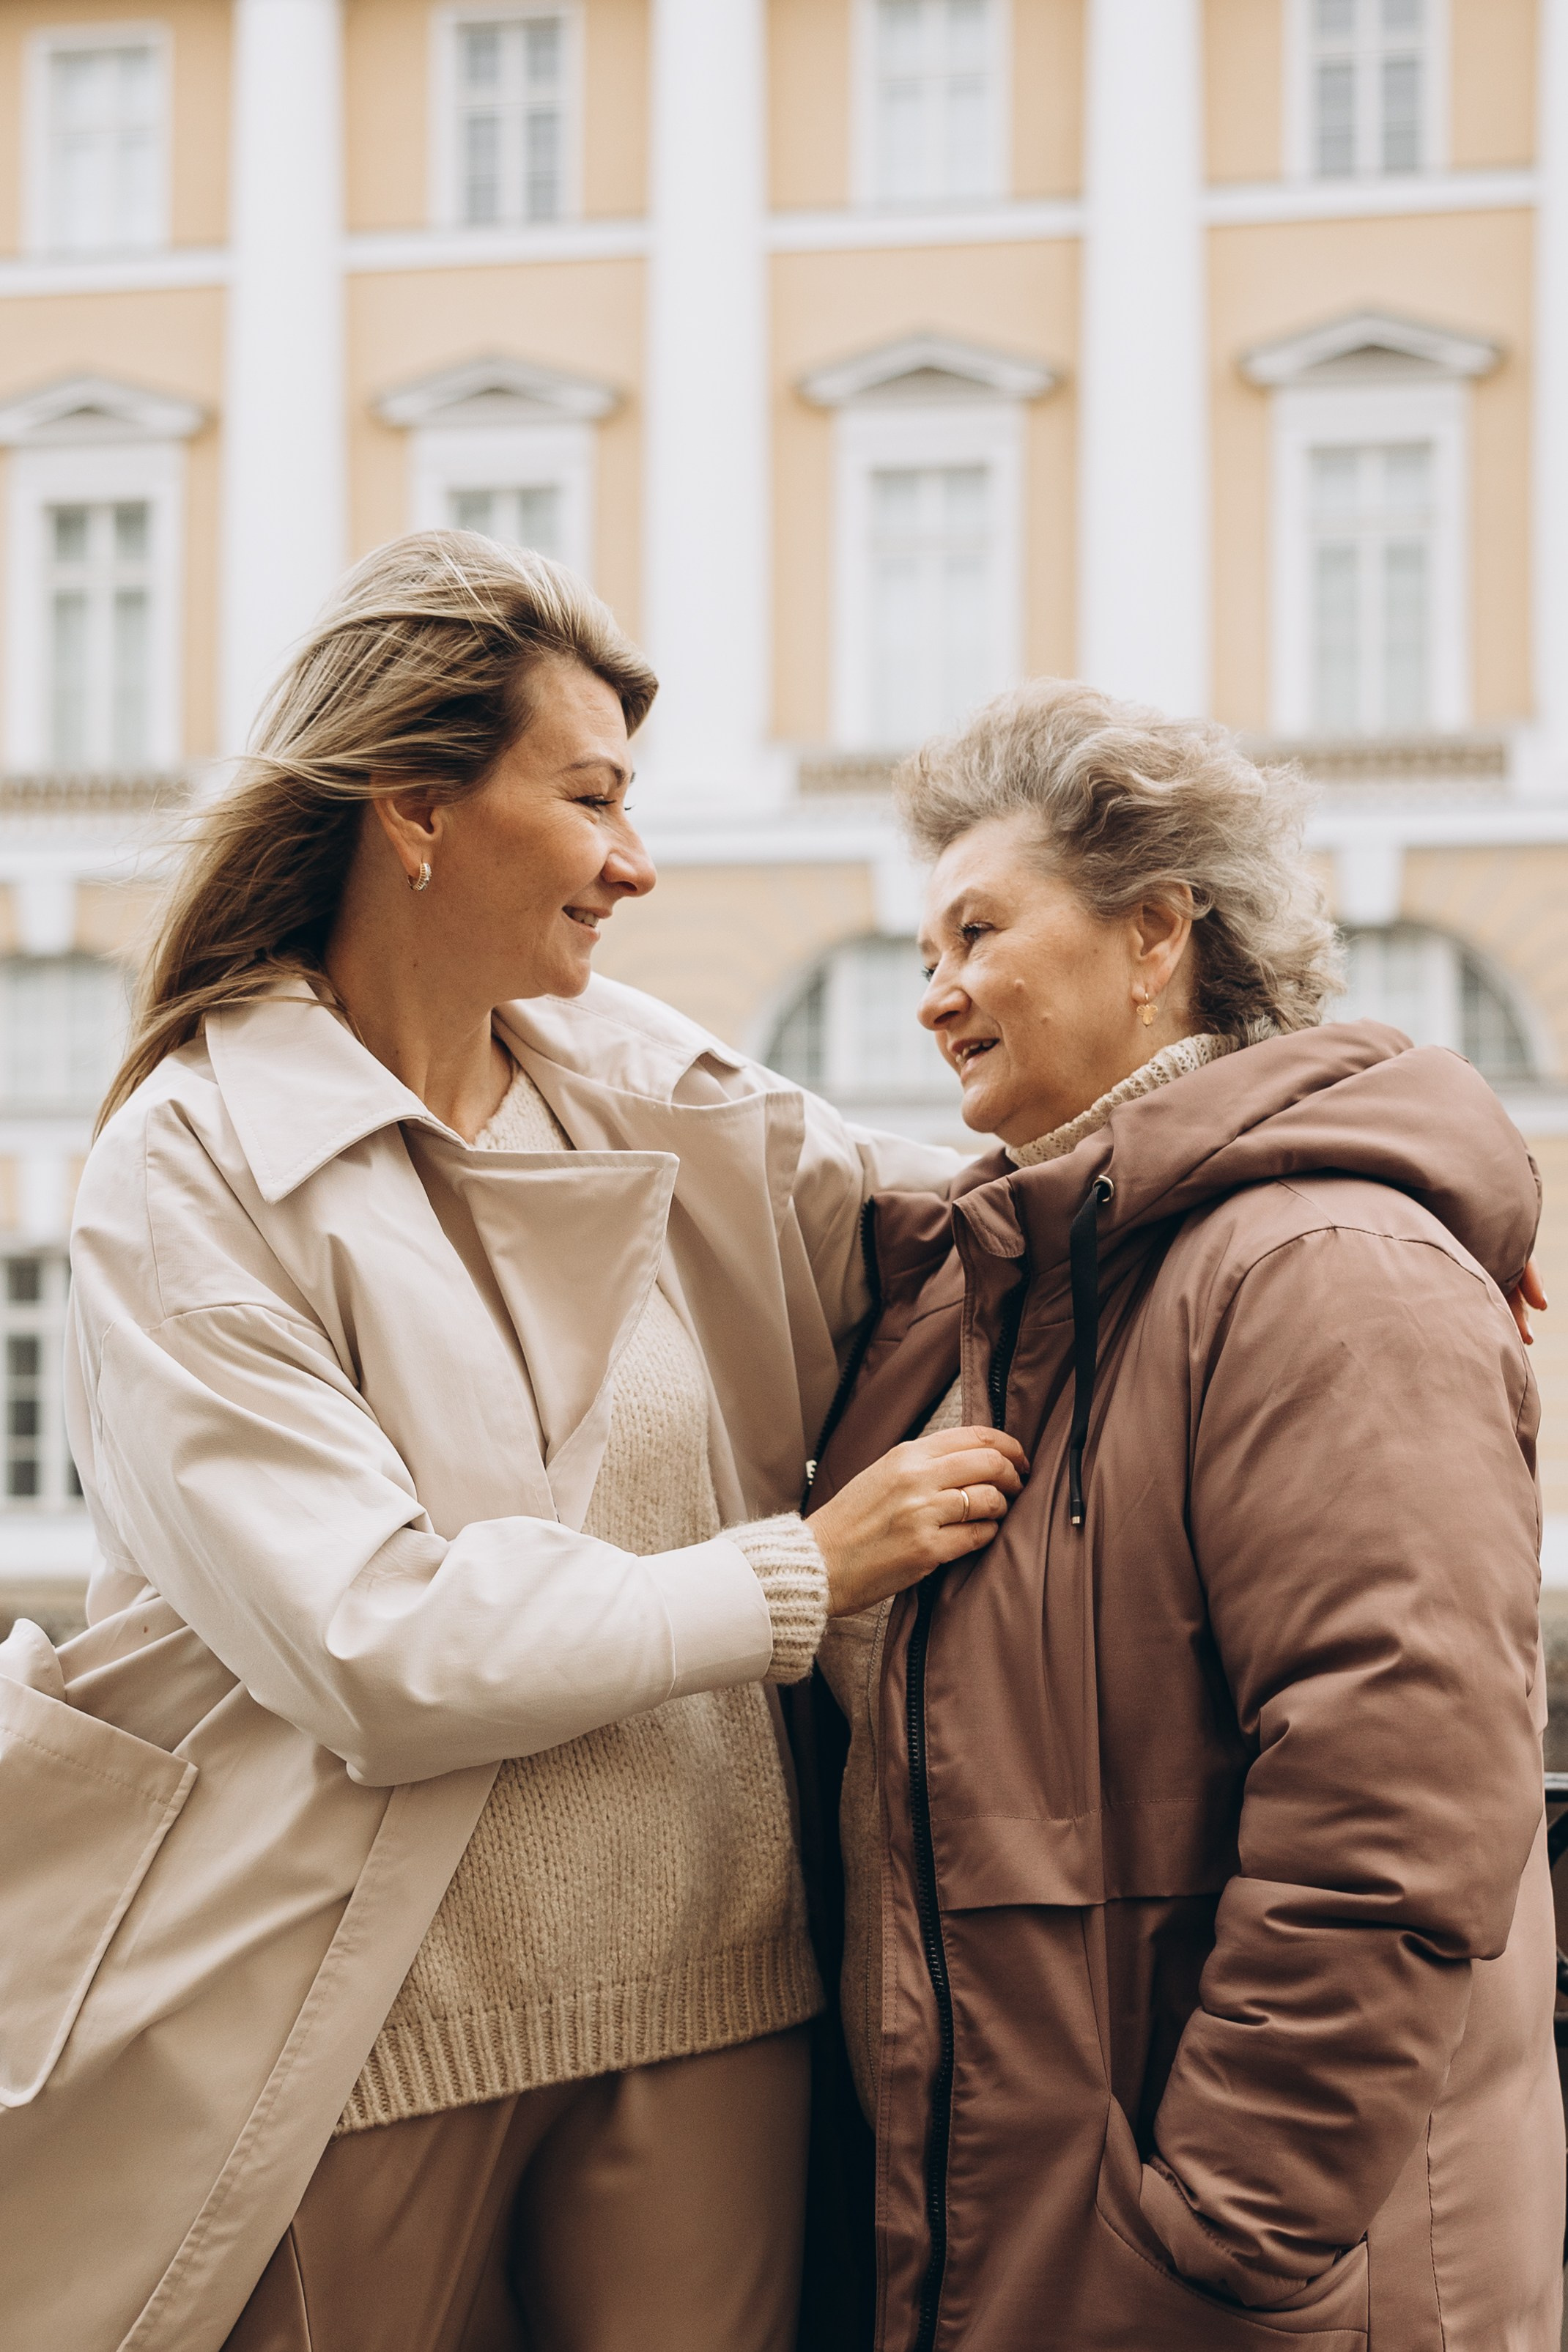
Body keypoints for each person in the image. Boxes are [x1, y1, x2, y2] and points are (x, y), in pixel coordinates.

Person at [0, 533, 1027, 2352]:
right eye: (590, 797)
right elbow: (373, 1645)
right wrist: (800, 1573)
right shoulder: (189, 1165)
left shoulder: (636, 1087)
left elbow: (994, 1221)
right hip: (349, 2028)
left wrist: (1364, 1179)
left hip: (716, 2006)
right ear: (414, 807)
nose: (636, 862)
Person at [808, 678, 1561, 2351]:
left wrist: (1225, 2230)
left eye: (977, 931)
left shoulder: (1324, 1267)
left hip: (1229, 2284)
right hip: (1032, 2251)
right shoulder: (1010, 1286)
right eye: (924, 951)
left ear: (1155, 933)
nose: (932, 995)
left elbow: (1395, 1794)